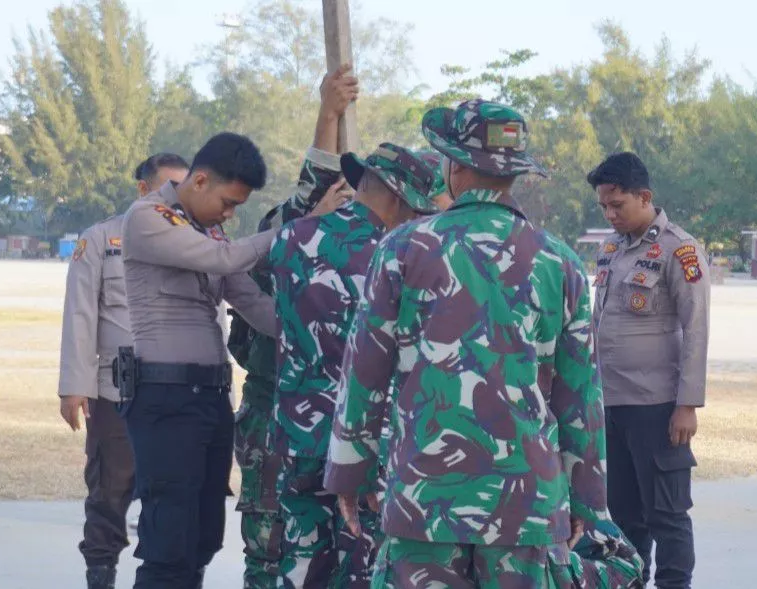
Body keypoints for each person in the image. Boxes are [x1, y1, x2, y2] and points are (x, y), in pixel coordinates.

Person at [323, 99, 643, 588]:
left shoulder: (403, 248)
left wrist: (350, 475)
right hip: (527, 504)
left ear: (453, 167)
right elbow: (580, 397)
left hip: (423, 499)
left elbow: (364, 373)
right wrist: (587, 501)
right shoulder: (559, 263)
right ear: (512, 174)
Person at [120, 132, 294, 589]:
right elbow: (223, 259)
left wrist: (315, 330)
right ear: (199, 181)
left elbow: (253, 304)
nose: (231, 214)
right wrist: (295, 230)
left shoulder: (208, 229)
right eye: (229, 202)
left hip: (210, 398)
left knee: (203, 536)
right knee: (168, 542)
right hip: (165, 398)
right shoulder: (146, 218)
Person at [270, 143, 437, 588]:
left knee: (301, 563)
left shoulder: (291, 238)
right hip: (366, 442)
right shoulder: (401, 254)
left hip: (298, 433)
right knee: (365, 566)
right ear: (399, 199)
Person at [227, 66, 359, 589]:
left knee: (343, 554)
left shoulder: (372, 247)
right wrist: (327, 113)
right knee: (269, 548)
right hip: (273, 409)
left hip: (342, 418)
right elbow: (312, 186)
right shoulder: (282, 234)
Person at [58, 152, 189, 589]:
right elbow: (79, 314)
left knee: (170, 502)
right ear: (142, 189)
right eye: (168, 186)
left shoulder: (191, 241)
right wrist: (73, 388)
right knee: (109, 497)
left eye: (183, 189)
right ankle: (101, 576)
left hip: (174, 398)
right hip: (117, 396)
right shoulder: (100, 240)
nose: (176, 198)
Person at [589, 152, 710, 589]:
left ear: (645, 197)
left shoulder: (680, 249)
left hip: (657, 407)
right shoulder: (609, 249)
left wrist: (688, 404)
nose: (610, 214)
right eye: (604, 206)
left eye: (617, 205)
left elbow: (696, 328)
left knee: (667, 516)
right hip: (611, 405)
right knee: (623, 517)